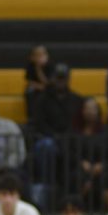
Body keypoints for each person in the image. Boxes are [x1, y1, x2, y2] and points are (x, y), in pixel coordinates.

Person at [31, 64, 84, 205]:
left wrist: (66, 137)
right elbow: (39, 123)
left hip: (70, 141)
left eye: (64, 78)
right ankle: (47, 185)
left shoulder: (77, 100)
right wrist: (54, 136)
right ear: (53, 79)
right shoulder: (42, 100)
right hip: (49, 139)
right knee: (46, 146)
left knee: (76, 147)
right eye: (58, 78)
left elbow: (78, 124)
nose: (61, 81)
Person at [69, 96, 108, 210]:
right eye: (87, 108)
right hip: (80, 169)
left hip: (103, 170)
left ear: (98, 111)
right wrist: (81, 163)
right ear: (82, 111)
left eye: (93, 109)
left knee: (107, 180)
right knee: (77, 178)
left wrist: (103, 165)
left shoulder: (107, 131)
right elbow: (68, 152)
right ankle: (74, 212)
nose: (90, 112)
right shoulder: (74, 131)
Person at [24, 45, 54, 118]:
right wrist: (37, 67)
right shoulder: (31, 66)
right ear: (32, 57)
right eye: (38, 55)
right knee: (29, 91)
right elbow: (29, 81)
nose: (40, 57)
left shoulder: (50, 66)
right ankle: (31, 117)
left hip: (48, 88)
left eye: (43, 54)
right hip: (37, 88)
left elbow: (47, 82)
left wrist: (39, 69)